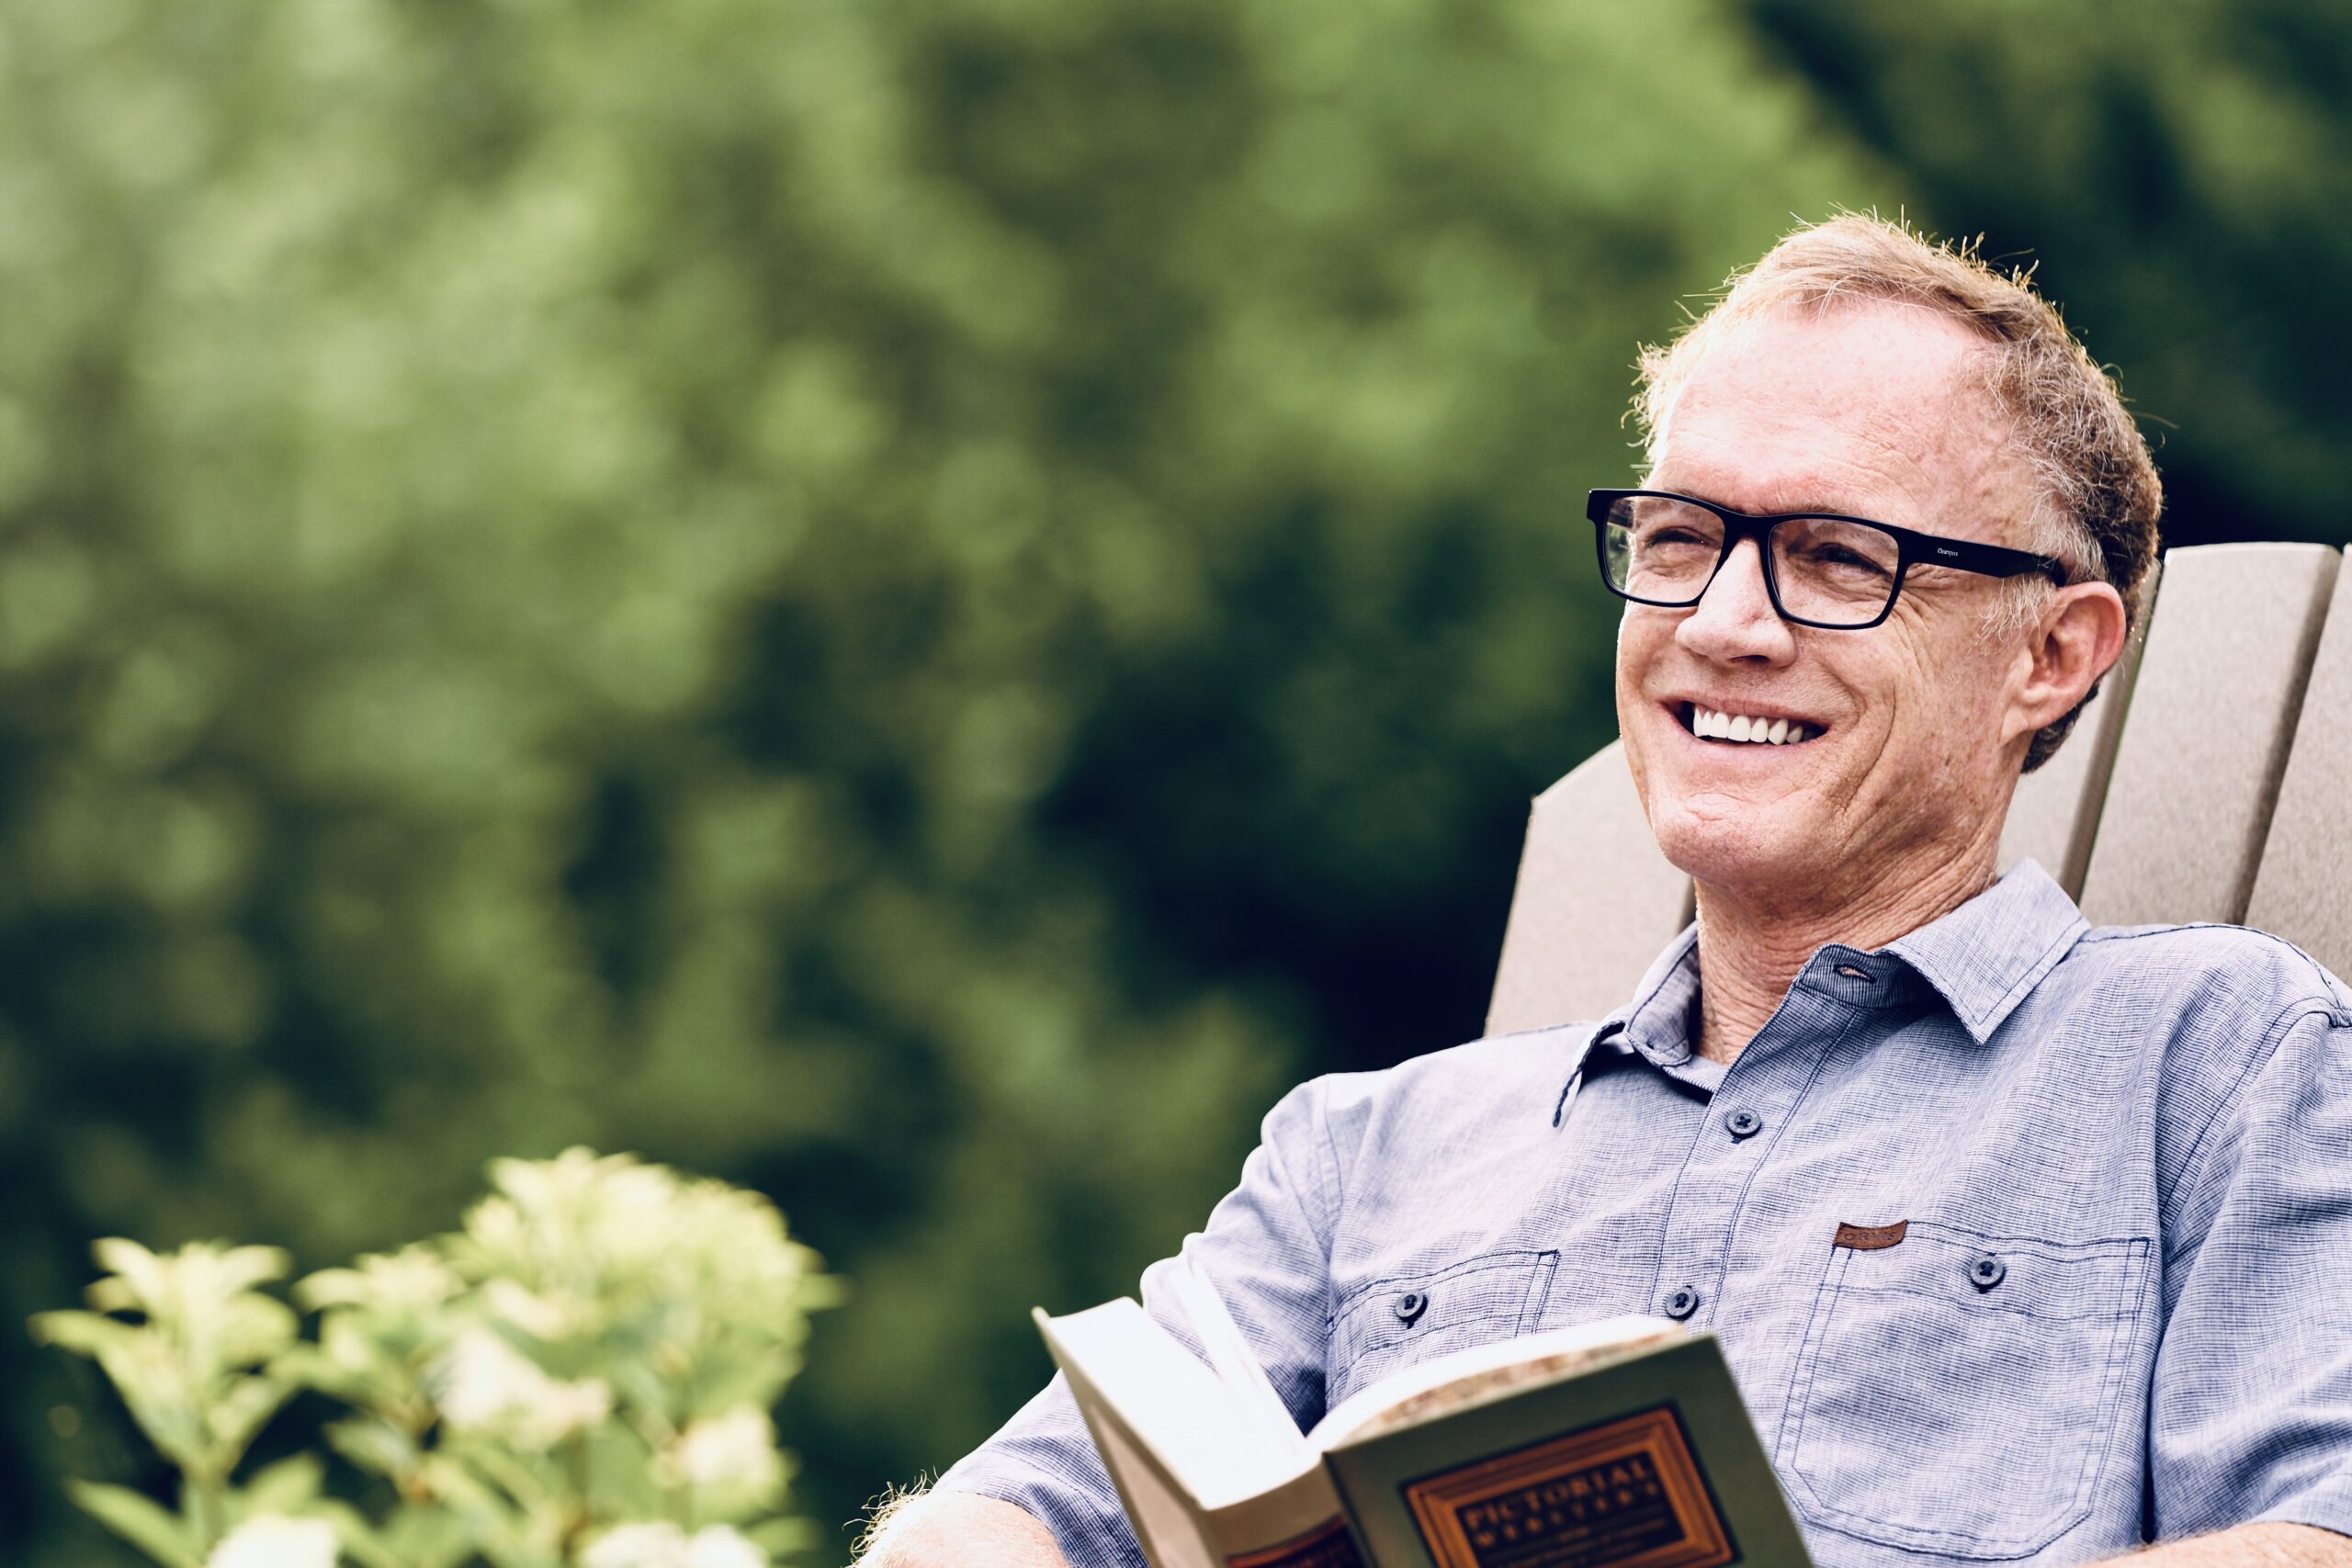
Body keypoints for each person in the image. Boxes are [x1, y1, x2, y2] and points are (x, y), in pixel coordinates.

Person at [856, 216, 2352, 1568]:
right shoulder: (1361, 1154)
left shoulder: (2217, 1063)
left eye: (1838, 558)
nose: (1723, 623)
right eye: (1683, 539)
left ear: (2054, 654)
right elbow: (1003, 1517)